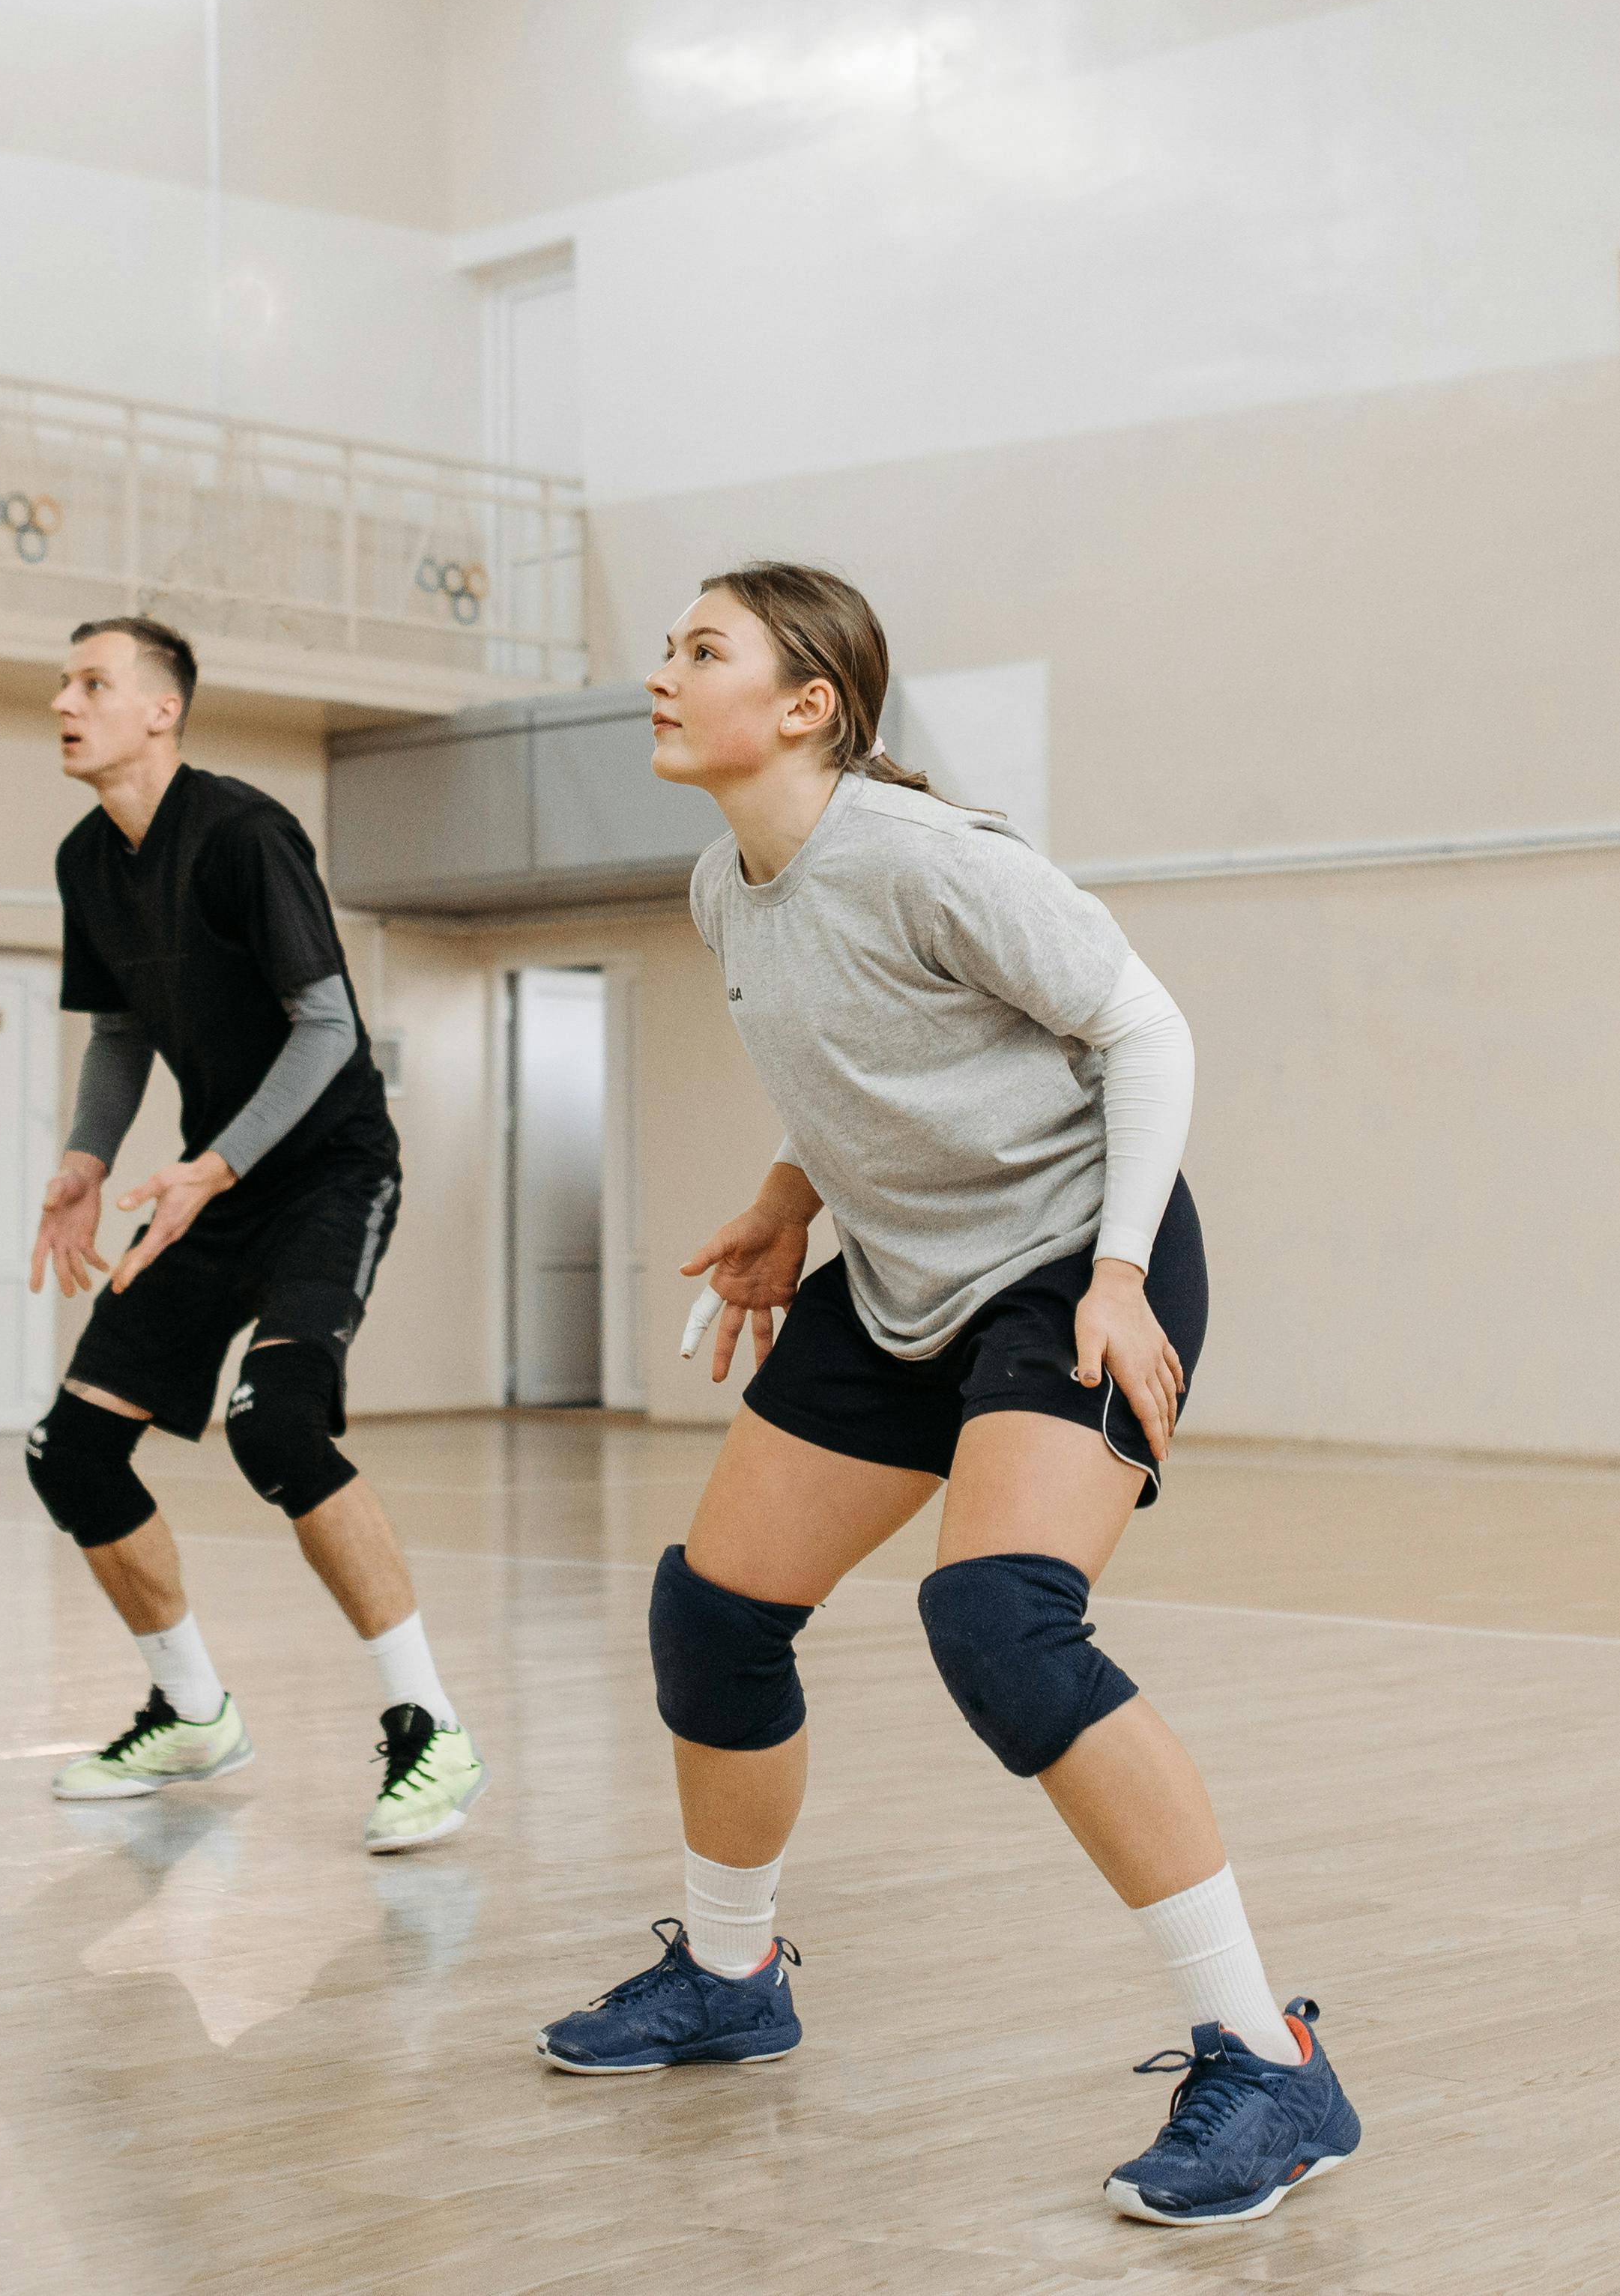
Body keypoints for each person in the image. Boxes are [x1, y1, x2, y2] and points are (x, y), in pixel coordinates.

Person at [536, 564, 1359, 2228]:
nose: (660, 672)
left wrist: (1119, 1271)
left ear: (805, 706)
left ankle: (1267, 2059)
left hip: (1074, 1255)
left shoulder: (924, 855)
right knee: (714, 1611)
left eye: (702, 650)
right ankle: (728, 1971)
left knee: (998, 1616)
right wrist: (787, 1197)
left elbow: (1143, 1029)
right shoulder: (726, 885)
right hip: (906, 1274)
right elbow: (856, 1069)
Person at [27, 615, 484, 1855]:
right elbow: (122, 1034)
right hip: (208, 1184)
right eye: (64, 682)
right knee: (70, 1451)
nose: (64, 700)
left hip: (324, 1170)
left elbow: (327, 1027)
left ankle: (429, 1723)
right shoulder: (87, 860)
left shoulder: (243, 833)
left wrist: (213, 1163)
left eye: (92, 682)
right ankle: (191, 1711)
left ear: (162, 709)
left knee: (275, 1421)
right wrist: (86, 1158)